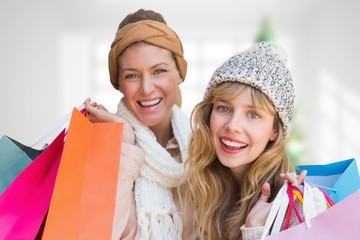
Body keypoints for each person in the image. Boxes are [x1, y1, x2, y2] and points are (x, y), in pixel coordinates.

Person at [181, 41, 329, 239]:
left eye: (253, 115)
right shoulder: (198, 188)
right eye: (224, 108)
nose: (233, 125)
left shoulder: (300, 207)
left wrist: (256, 232)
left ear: (275, 131)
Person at [85, 9, 192, 239]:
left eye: (159, 71)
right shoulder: (97, 149)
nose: (146, 88)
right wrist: (125, 146)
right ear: (118, 83)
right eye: (132, 75)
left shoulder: (203, 150)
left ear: (180, 74)